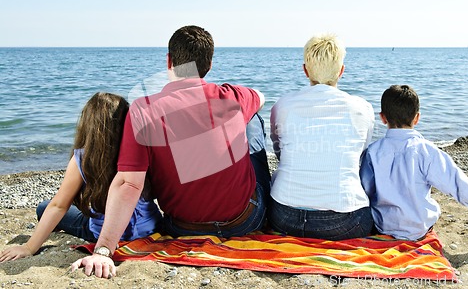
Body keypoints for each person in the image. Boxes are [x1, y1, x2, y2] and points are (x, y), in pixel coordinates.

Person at [71, 25, 270, 278]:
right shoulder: (231, 95)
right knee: (252, 119)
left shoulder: (143, 110)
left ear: (169, 61)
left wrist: (104, 250)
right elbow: (261, 97)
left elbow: (128, 185)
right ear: (209, 65)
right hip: (245, 221)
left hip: (183, 227)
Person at [0, 92, 162, 263]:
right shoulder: (141, 152)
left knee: (44, 207)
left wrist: (29, 247)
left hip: (101, 234)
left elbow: (59, 206)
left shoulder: (84, 158)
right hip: (150, 228)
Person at [269, 34, 375, 241]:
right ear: (341, 71)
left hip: (284, 216)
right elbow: (360, 153)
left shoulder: (283, 105)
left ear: (305, 70)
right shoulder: (361, 108)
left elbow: (279, 149)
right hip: (344, 221)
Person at [360, 85, 468, 241]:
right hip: (418, 229)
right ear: (417, 118)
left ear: (383, 117)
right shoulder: (426, 150)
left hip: (383, 226)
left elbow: (366, 189)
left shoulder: (373, 151)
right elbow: (454, 181)